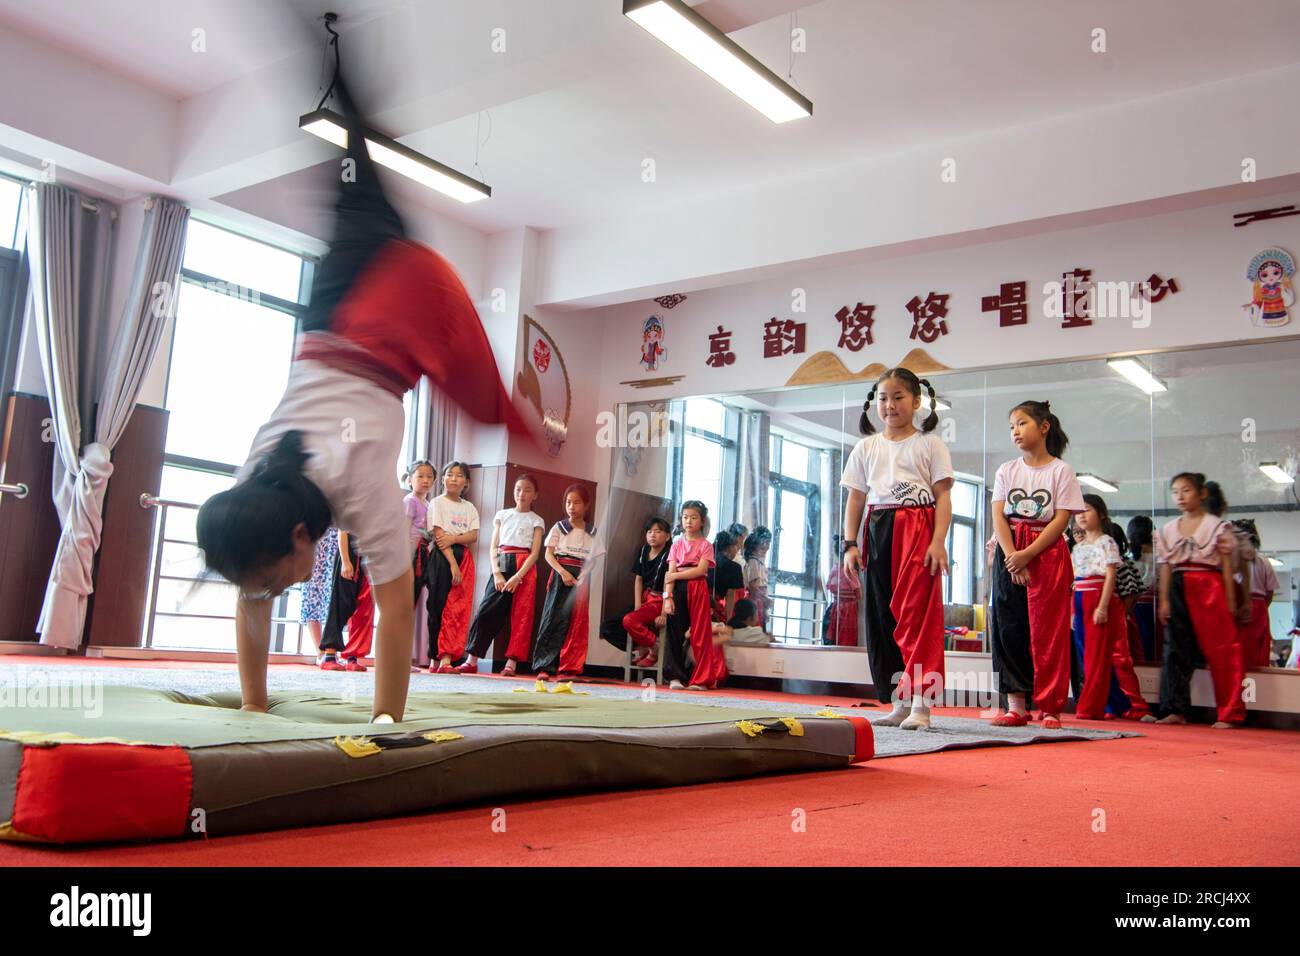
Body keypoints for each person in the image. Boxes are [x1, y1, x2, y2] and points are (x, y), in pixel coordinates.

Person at [194, 75, 528, 723]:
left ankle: (347, 82)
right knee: (355, 181)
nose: (271, 591)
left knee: (362, 178)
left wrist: (387, 724)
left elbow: (398, 612)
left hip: (391, 309)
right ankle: (346, 89)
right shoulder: (254, 492)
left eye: (272, 577)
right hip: (331, 307)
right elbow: (252, 593)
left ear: (300, 537)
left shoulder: (362, 491)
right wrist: (253, 707)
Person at [842, 367, 953, 729]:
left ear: (917, 401)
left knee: (917, 617)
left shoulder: (930, 444)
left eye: (898, 397)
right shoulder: (866, 447)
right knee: (881, 618)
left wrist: (938, 542)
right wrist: (850, 544)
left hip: (917, 528)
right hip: (878, 528)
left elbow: (943, 497)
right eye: (883, 398)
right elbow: (856, 498)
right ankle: (898, 701)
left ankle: (923, 703)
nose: (889, 405)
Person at [988, 400, 1084, 730]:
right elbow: (998, 515)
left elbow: (1061, 519)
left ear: (1043, 427)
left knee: (1048, 630)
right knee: (1008, 625)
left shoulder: (1061, 471)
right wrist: (1013, 555)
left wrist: (1028, 555)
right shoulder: (1006, 470)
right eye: (1011, 425)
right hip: (1009, 550)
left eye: (1022, 423)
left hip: (1046, 553)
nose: (1015, 431)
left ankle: (1051, 706)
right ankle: (1015, 704)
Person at [1156, 474, 1246, 728]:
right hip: (1178, 584)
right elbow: (1164, 567)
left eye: (1186, 491)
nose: (1180, 497)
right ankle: (1175, 708)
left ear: (1201, 493)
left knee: (1223, 648)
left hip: (1210, 584)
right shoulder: (1168, 530)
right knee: (1174, 649)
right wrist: (1164, 600)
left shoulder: (1217, 527)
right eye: (1175, 492)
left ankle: (1229, 711)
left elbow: (1227, 566)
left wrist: (1230, 599)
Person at [462, 474, 546, 676]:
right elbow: (493, 547)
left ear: (535, 495)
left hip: (524, 567)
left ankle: (511, 663)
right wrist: (497, 573)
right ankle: (472, 659)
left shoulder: (537, 520)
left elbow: (535, 553)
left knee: (522, 616)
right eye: (518, 489)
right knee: (486, 611)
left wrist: (518, 576)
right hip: (502, 562)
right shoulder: (502, 514)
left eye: (527, 490)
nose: (521, 493)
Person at [532, 484, 603, 680]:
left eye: (577, 502)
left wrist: (583, 576)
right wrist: (563, 572)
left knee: (576, 622)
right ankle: (545, 666)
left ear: (586, 505)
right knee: (553, 618)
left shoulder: (593, 532)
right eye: (568, 502)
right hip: (560, 574)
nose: (572, 506)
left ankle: (569, 668)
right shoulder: (559, 527)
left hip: (580, 579)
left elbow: (593, 560)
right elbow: (548, 554)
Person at [1069, 495, 1123, 720]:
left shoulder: (1107, 542)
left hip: (1097, 597)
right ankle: (1109, 703)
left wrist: (1102, 606)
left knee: (1096, 656)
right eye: (1078, 511)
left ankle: (1091, 705)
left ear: (1100, 514)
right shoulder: (1078, 547)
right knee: (1084, 654)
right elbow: (1073, 581)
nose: (1081, 515)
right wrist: (1072, 611)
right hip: (1080, 598)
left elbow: (1111, 576)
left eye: (1087, 510)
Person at [663, 500, 727, 690]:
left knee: (700, 634)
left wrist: (675, 574)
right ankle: (675, 676)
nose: (688, 521)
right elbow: (670, 574)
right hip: (678, 588)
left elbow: (700, 571)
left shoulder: (706, 545)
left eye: (693, 517)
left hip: (698, 588)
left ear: (702, 520)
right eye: (685, 517)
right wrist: (668, 598)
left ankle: (703, 679)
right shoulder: (676, 545)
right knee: (674, 632)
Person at [424, 461, 479, 673]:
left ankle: (447, 659)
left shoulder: (469, 507)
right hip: (441, 557)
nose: (454, 478)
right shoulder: (437, 503)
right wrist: (453, 564)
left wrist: (454, 538)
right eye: (449, 474)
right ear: (444, 479)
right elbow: (439, 535)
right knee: (436, 607)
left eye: (459, 475)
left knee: (455, 609)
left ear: (466, 482)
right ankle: (434, 658)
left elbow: (473, 535)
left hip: (462, 555)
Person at [599, 517, 673, 668]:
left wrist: (664, 614)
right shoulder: (644, 550)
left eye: (658, 531)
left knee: (629, 620)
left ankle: (654, 648)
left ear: (667, 536)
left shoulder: (670, 554)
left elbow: (669, 584)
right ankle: (642, 648)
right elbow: (638, 579)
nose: (652, 535)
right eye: (649, 531)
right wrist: (638, 605)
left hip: (659, 601)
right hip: (645, 600)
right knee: (607, 627)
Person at [1232, 519, 1280, 668]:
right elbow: (1270, 591)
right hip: (1258, 605)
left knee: (1247, 646)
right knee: (1254, 647)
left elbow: (1270, 591)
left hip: (1250, 605)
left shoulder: (1261, 562)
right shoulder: (1264, 562)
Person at [403, 460, 435, 669]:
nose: (425, 480)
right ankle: (398, 659)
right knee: (404, 608)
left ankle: (405, 658)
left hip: (423, 556)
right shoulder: (410, 501)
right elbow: (404, 532)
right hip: (411, 557)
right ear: (410, 479)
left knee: (411, 608)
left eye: (429, 477)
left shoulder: (429, 504)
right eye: (420, 476)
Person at [299, 527, 338, 663]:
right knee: (312, 593)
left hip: (336, 539)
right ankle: (320, 651)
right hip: (316, 537)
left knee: (333, 594)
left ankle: (330, 651)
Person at [742, 527, 772, 627]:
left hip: (759, 601)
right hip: (755, 602)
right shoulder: (753, 562)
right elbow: (753, 587)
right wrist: (765, 600)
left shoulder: (758, 562)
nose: (767, 546)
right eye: (764, 543)